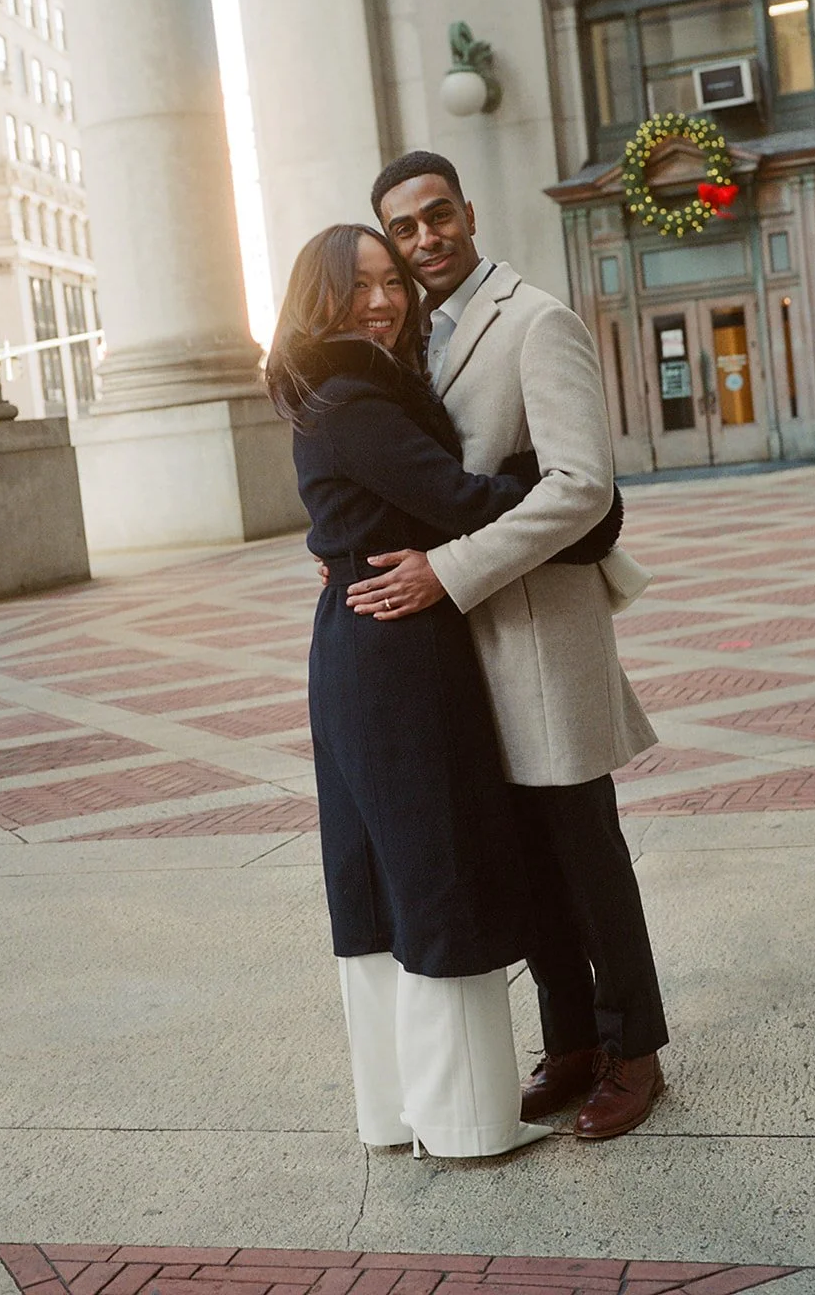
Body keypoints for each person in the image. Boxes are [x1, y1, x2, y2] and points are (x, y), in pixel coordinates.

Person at [347, 151, 670, 1141]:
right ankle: (569, 1042)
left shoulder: (535, 320)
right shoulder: (416, 345)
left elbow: (581, 488)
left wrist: (446, 569)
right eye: (403, 228)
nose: (424, 238)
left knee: (583, 854)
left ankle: (636, 1049)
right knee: (525, 864)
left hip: (539, 636)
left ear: (469, 211)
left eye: (436, 215)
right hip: (468, 655)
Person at [265, 222, 553, 1159]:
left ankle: (397, 1113)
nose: (383, 302)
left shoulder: (333, 391)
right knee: (438, 866)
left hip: (359, 641)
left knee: (382, 878)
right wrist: (559, 488)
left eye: (390, 282)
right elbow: (459, 500)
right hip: (398, 648)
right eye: (357, 288)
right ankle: (468, 1125)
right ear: (320, 300)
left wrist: (338, 542)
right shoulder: (355, 397)